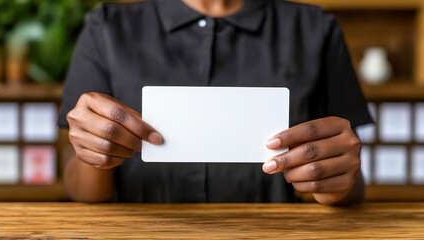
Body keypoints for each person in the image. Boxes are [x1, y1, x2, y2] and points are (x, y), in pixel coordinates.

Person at [59, 0, 372, 205]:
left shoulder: (315, 30)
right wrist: (96, 152)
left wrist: (340, 183)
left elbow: (350, 179)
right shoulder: (106, 28)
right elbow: (78, 187)